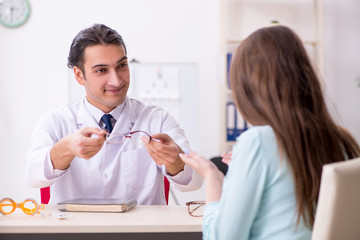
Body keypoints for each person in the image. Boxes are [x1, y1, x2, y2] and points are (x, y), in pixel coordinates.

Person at [180, 25, 360, 240]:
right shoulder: (343, 140)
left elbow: (221, 237)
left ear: (248, 87)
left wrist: (213, 177)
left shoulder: (257, 142)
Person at [23, 23, 202, 205]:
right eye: (101, 70)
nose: (116, 81)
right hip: (76, 232)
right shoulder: (56, 122)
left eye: (122, 66)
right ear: (79, 75)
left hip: (140, 232)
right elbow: (31, 175)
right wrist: (65, 149)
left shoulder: (157, 119)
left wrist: (175, 160)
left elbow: (194, 182)